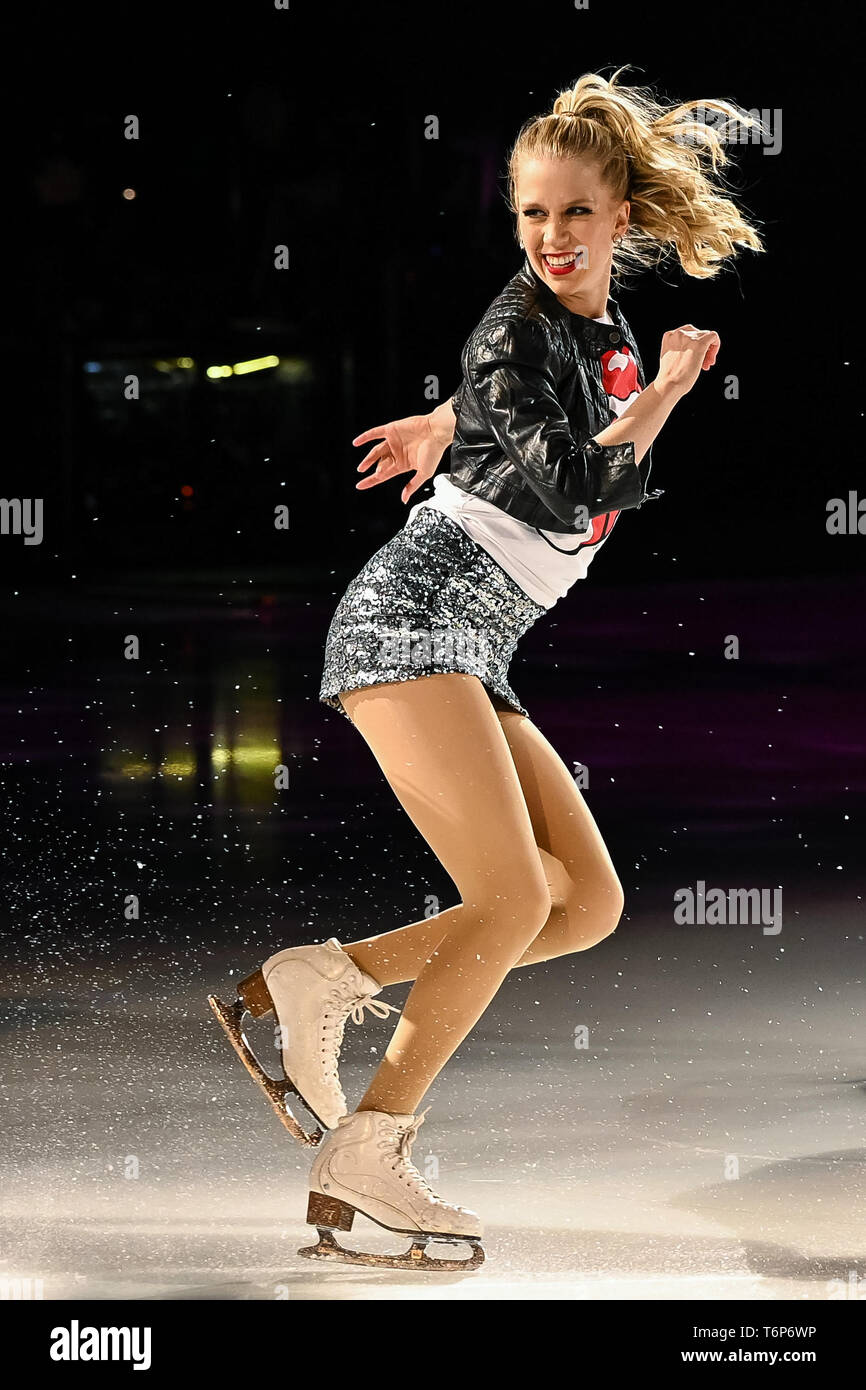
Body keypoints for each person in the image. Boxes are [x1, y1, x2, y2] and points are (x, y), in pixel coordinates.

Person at [209, 67, 764, 1269]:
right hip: (410, 621)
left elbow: (521, 403)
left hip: (475, 641)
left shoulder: (595, 325)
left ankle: (329, 975)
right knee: (513, 899)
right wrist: (665, 397)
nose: (550, 236)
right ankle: (371, 1146)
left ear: (622, 217)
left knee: (584, 902)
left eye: (572, 212)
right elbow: (573, 477)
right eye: (529, 215)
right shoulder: (520, 322)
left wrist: (444, 420)